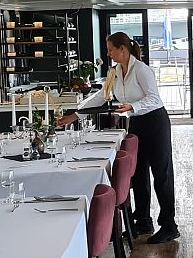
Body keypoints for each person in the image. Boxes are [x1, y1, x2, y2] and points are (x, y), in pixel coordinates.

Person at [57, 32, 179, 244]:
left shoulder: (141, 70)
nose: (108, 53)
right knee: (139, 175)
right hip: (138, 122)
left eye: (111, 49)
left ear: (123, 49)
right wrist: (75, 115)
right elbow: (100, 97)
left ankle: (169, 226)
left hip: (156, 122)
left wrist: (133, 106)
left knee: (162, 174)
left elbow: (154, 98)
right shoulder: (114, 72)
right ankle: (143, 221)